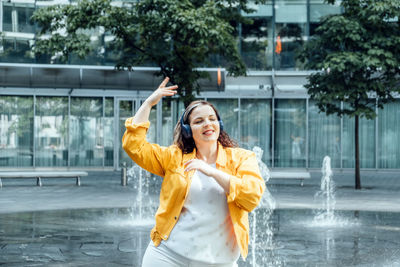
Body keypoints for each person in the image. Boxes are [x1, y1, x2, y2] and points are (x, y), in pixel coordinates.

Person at [122, 77, 265, 267]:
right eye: (199, 121)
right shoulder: (175, 157)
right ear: (188, 130)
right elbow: (134, 147)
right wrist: (148, 103)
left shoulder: (242, 158)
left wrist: (212, 172)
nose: (207, 124)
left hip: (219, 262)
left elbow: (252, 196)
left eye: (212, 119)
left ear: (219, 125)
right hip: (168, 256)